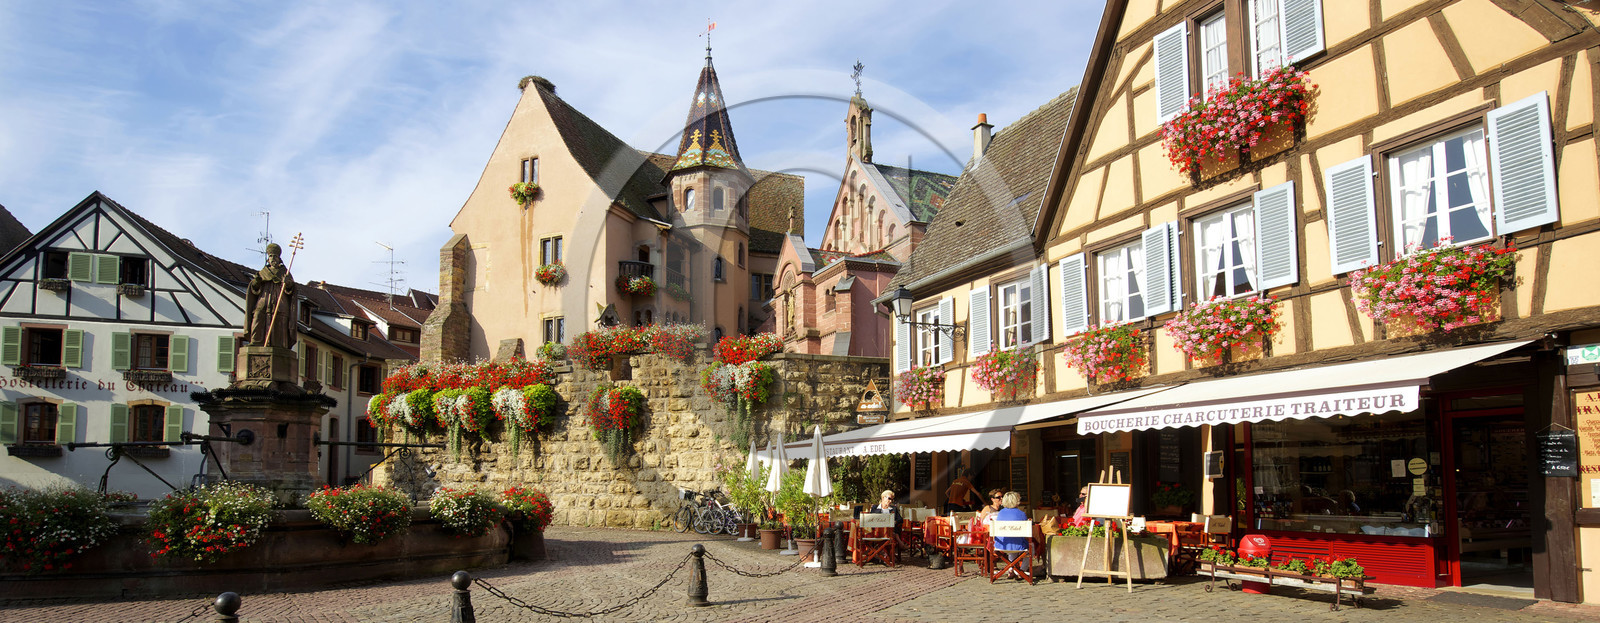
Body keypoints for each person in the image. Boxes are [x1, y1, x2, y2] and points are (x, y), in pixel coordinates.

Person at [244, 243, 298, 349]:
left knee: (280, 320)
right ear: (268, 259)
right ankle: (256, 341)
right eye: (271, 256)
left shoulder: (285, 273)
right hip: (264, 299)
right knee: (258, 315)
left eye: (275, 256)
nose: (273, 258)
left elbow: (291, 290)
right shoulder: (262, 273)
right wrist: (256, 282)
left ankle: (280, 344)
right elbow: (254, 289)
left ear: (279, 259)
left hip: (280, 301)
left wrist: (288, 284)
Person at [992, 491, 1030, 578]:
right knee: (1031, 547)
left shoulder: (1000, 513)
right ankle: (1021, 571)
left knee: (1011, 543)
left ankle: (1011, 569)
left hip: (1001, 545)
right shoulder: (1021, 514)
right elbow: (1026, 534)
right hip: (1018, 546)